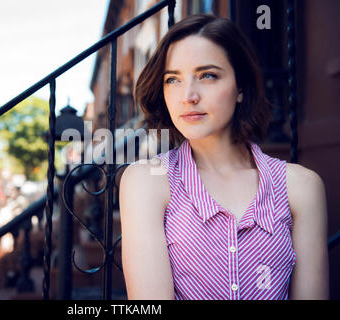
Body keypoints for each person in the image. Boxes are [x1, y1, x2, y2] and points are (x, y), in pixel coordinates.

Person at [119, 14, 329, 300]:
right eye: (173, 80)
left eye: (208, 75)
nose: (188, 95)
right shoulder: (147, 182)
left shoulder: (301, 186)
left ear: (240, 88)